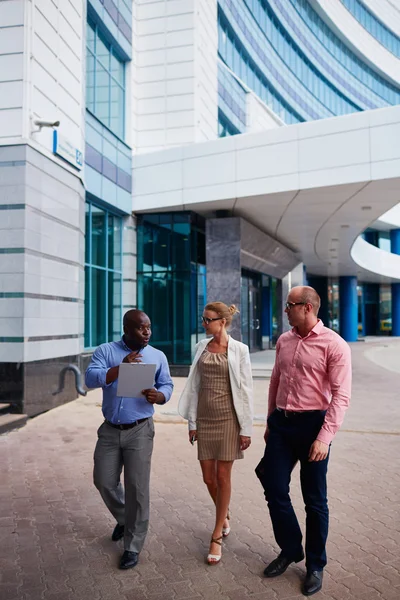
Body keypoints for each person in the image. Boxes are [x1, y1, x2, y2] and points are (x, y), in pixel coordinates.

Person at [260, 286, 351, 596]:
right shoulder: (284, 340)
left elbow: (341, 395)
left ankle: (315, 565)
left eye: (290, 305)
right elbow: (276, 379)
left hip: (314, 426)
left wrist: (325, 438)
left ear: (308, 308)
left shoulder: (334, 345)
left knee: (314, 499)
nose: (285, 310)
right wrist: (271, 419)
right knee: (272, 484)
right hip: (282, 425)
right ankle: (290, 549)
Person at [85, 309, 173, 570]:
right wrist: (118, 370)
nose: (147, 332)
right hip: (110, 429)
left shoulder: (157, 356)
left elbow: (167, 384)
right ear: (126, 328)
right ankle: (125, 518)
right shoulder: (106, 351)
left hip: (140, 429)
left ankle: (132, 546)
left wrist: (160, 396)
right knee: (103, 480)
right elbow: (90, 378)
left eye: (148, 327)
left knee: (137, 488)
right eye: (140, 328)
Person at [178, 302, 253, 565]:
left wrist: (246, 428)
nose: (204, 324)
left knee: (223, 476)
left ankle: (216, 534)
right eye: (203, 319)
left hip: (229, 420)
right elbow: (195, 386)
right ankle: (225, 514)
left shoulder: (240, 350)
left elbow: (246, 390)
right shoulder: (201, 347)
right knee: (208, 478)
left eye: (208, 320)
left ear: (222, 322)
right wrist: (192, 422)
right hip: (206, 419)